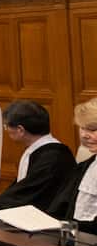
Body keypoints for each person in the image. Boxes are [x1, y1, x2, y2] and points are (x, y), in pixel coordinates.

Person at [47, 98, 97, 233]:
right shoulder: (84, 166)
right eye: (82, 128)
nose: (84, 135)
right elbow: (62, 207)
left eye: (92, 129)